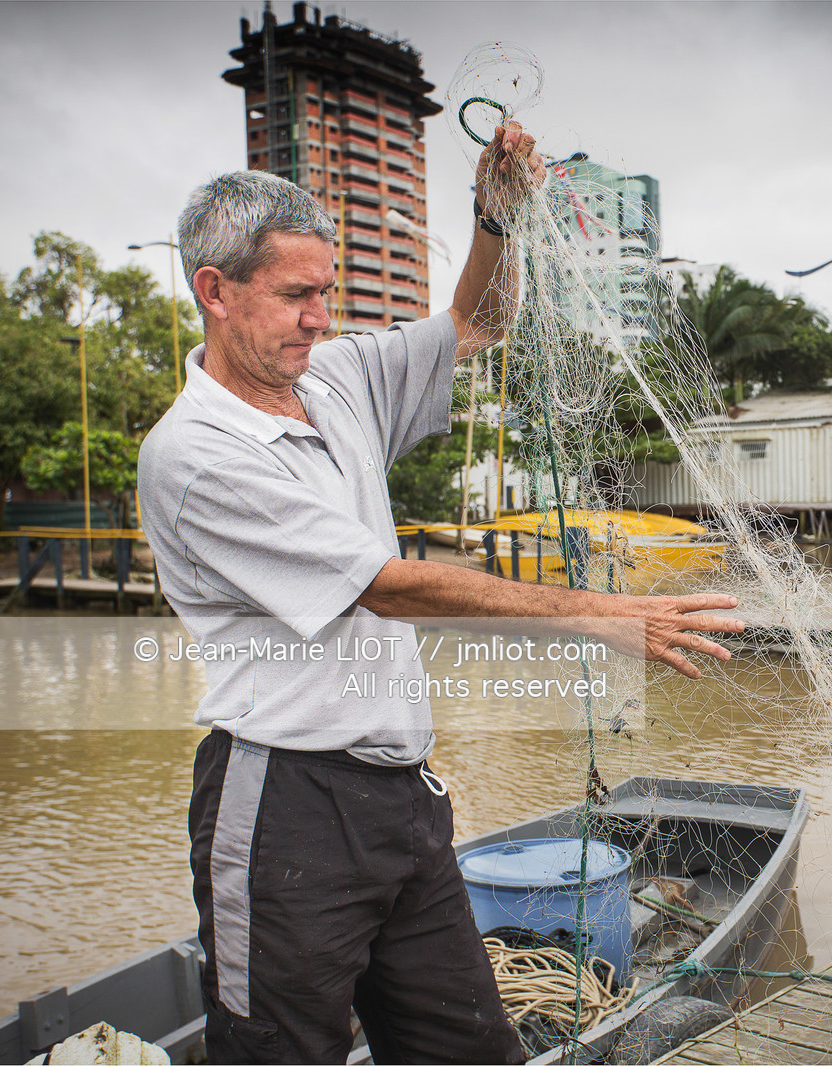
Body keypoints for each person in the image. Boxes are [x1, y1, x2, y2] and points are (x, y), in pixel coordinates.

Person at [138, 122, 742, 1064]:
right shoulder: (195, 456)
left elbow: (481, 324)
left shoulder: (335, 383)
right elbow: (388, 588)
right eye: (296, 296)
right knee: (278, 1054)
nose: (319, 319)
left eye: (326, 292)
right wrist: (599, 615)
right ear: (214, 293)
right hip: (286, 802)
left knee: (472, 1050)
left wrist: (493, 220)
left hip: (403, 796)